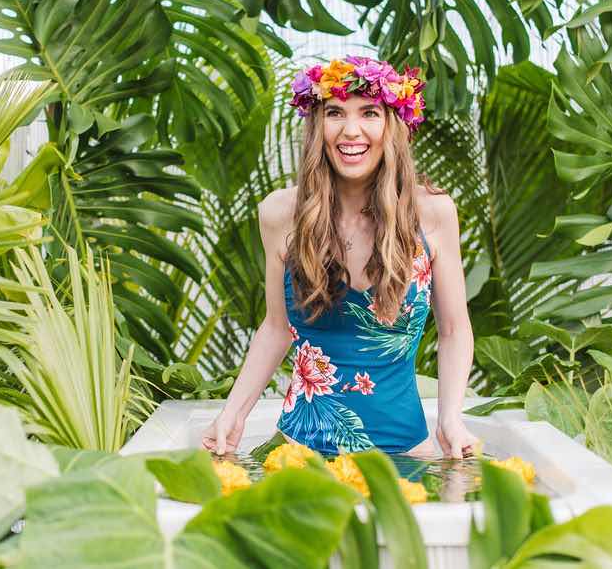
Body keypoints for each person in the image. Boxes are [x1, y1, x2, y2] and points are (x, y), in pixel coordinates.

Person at [201, 56, 479, 460]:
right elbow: (277, 328)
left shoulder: (432, 214)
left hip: (407, 450)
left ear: (393, 126)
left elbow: (454, 330)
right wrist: (233, 413)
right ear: (318, 127)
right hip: (300, 455)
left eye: (369, 113)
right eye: (335, 113)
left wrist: (450, 418)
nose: (351, 130)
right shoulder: (281, 214)